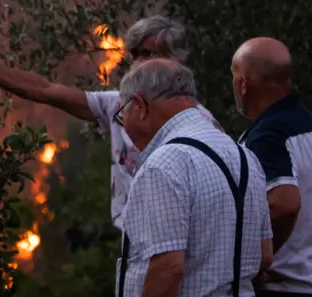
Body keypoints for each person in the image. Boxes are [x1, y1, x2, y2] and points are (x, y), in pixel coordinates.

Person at [0, 15, 222, 230]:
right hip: (134, 240)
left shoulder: (200, 123)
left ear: (177, 61)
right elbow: (42, 90)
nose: (138, 62)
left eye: (150, 53)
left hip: (179, 245)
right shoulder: (119, 105)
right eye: (135, 54)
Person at [116, 58, 273, 297]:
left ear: (139, 106)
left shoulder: (164, 164)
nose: (123, 123)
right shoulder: (245, 156)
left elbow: (167, 269)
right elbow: (265, 254)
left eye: (121, 113)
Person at [231, 38, 312, 297]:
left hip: (277, 286)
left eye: (233, 76)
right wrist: (308, 234)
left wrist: (259, 260)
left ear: (244, 84)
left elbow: (284, 203)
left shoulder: (267, 135)